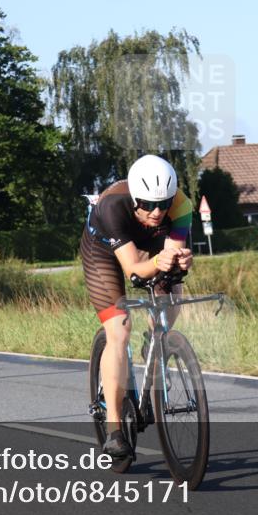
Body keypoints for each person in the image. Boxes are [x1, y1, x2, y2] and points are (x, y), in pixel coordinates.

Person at [79, 154, 193, 457]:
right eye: (148, 204)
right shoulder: (112, 208)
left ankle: (155, 346)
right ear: (133, 199)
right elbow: (133, 270)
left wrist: (179, 261)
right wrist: (158, 261)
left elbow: (169, 260)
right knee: (120, 329)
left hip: (147, 243)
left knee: (173, 288)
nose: (157, 212)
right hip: (102, 249)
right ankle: (114, 430)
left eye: (164, 204)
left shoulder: (181, 206)